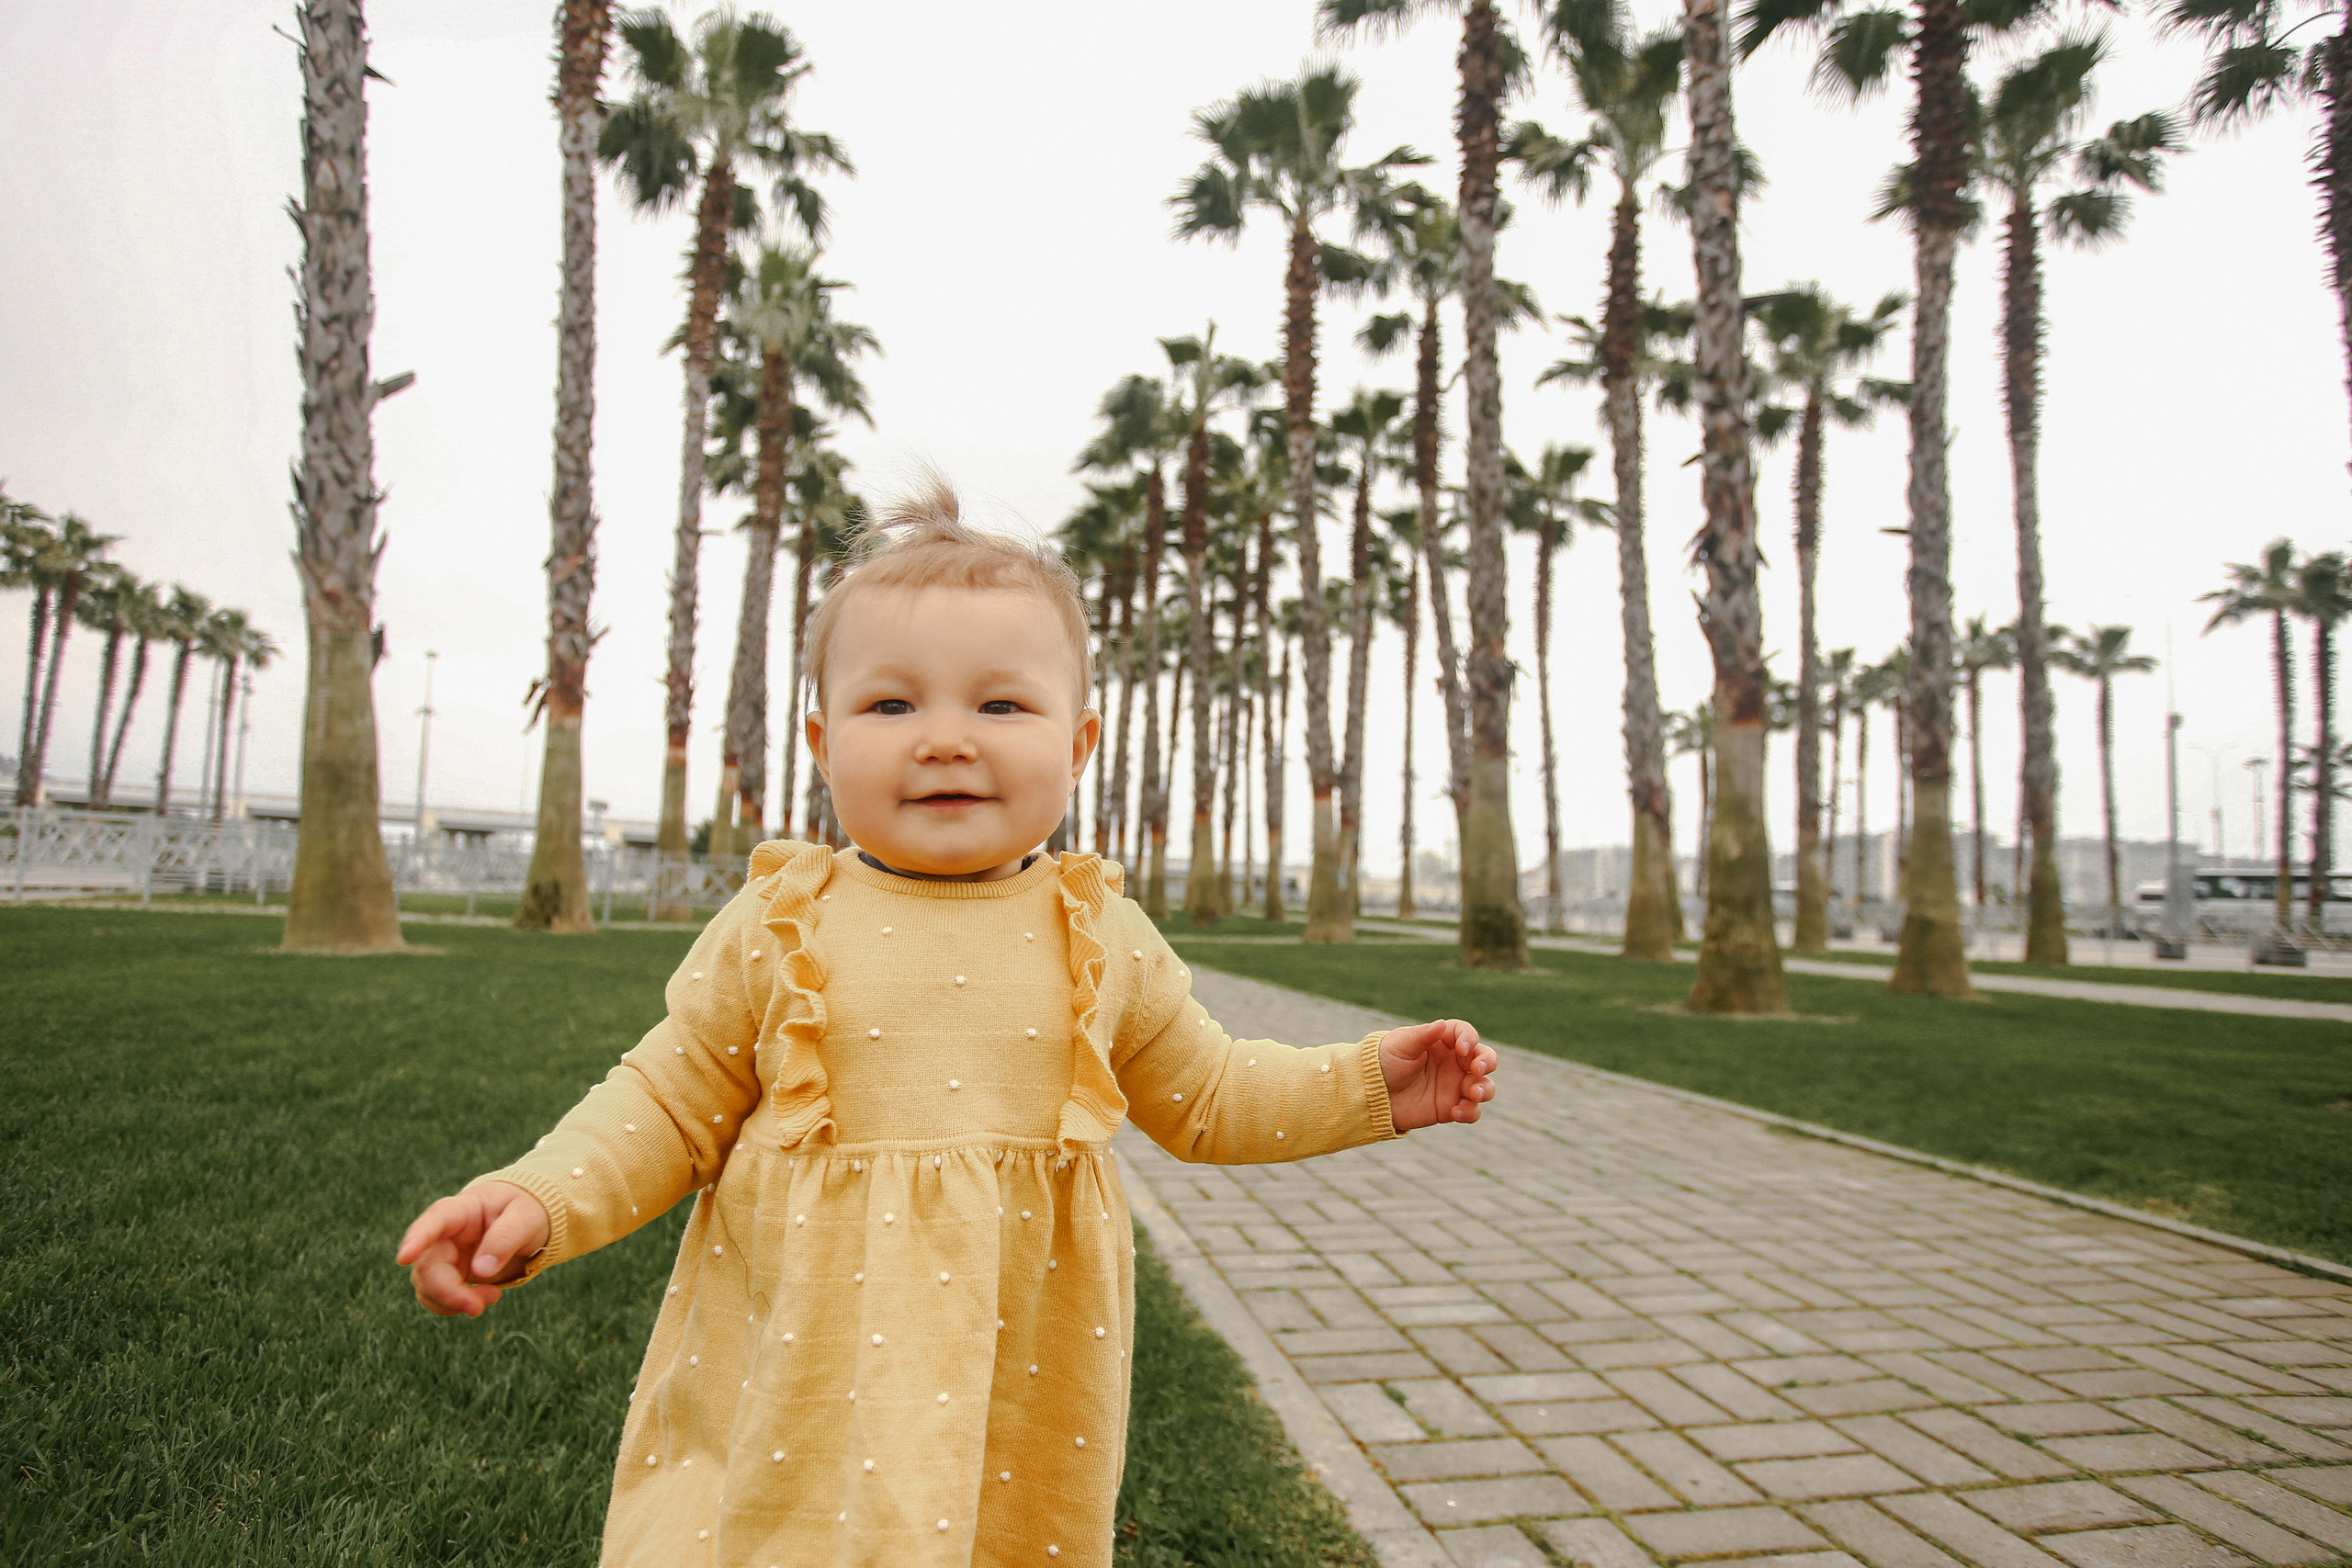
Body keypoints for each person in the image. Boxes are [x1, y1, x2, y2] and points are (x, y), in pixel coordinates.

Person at [395, 479, 1498, 1567]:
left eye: (1000, 704)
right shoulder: (783, 916)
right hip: (799, 1356)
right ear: (825, 743)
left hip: (1011, 1368)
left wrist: (1367, 1088)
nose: (943, 739)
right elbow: (668, 1097)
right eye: (892, 704)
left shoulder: (1097, 929)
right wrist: (538, 1197)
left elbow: (1208, 1096)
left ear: (1079, 744)